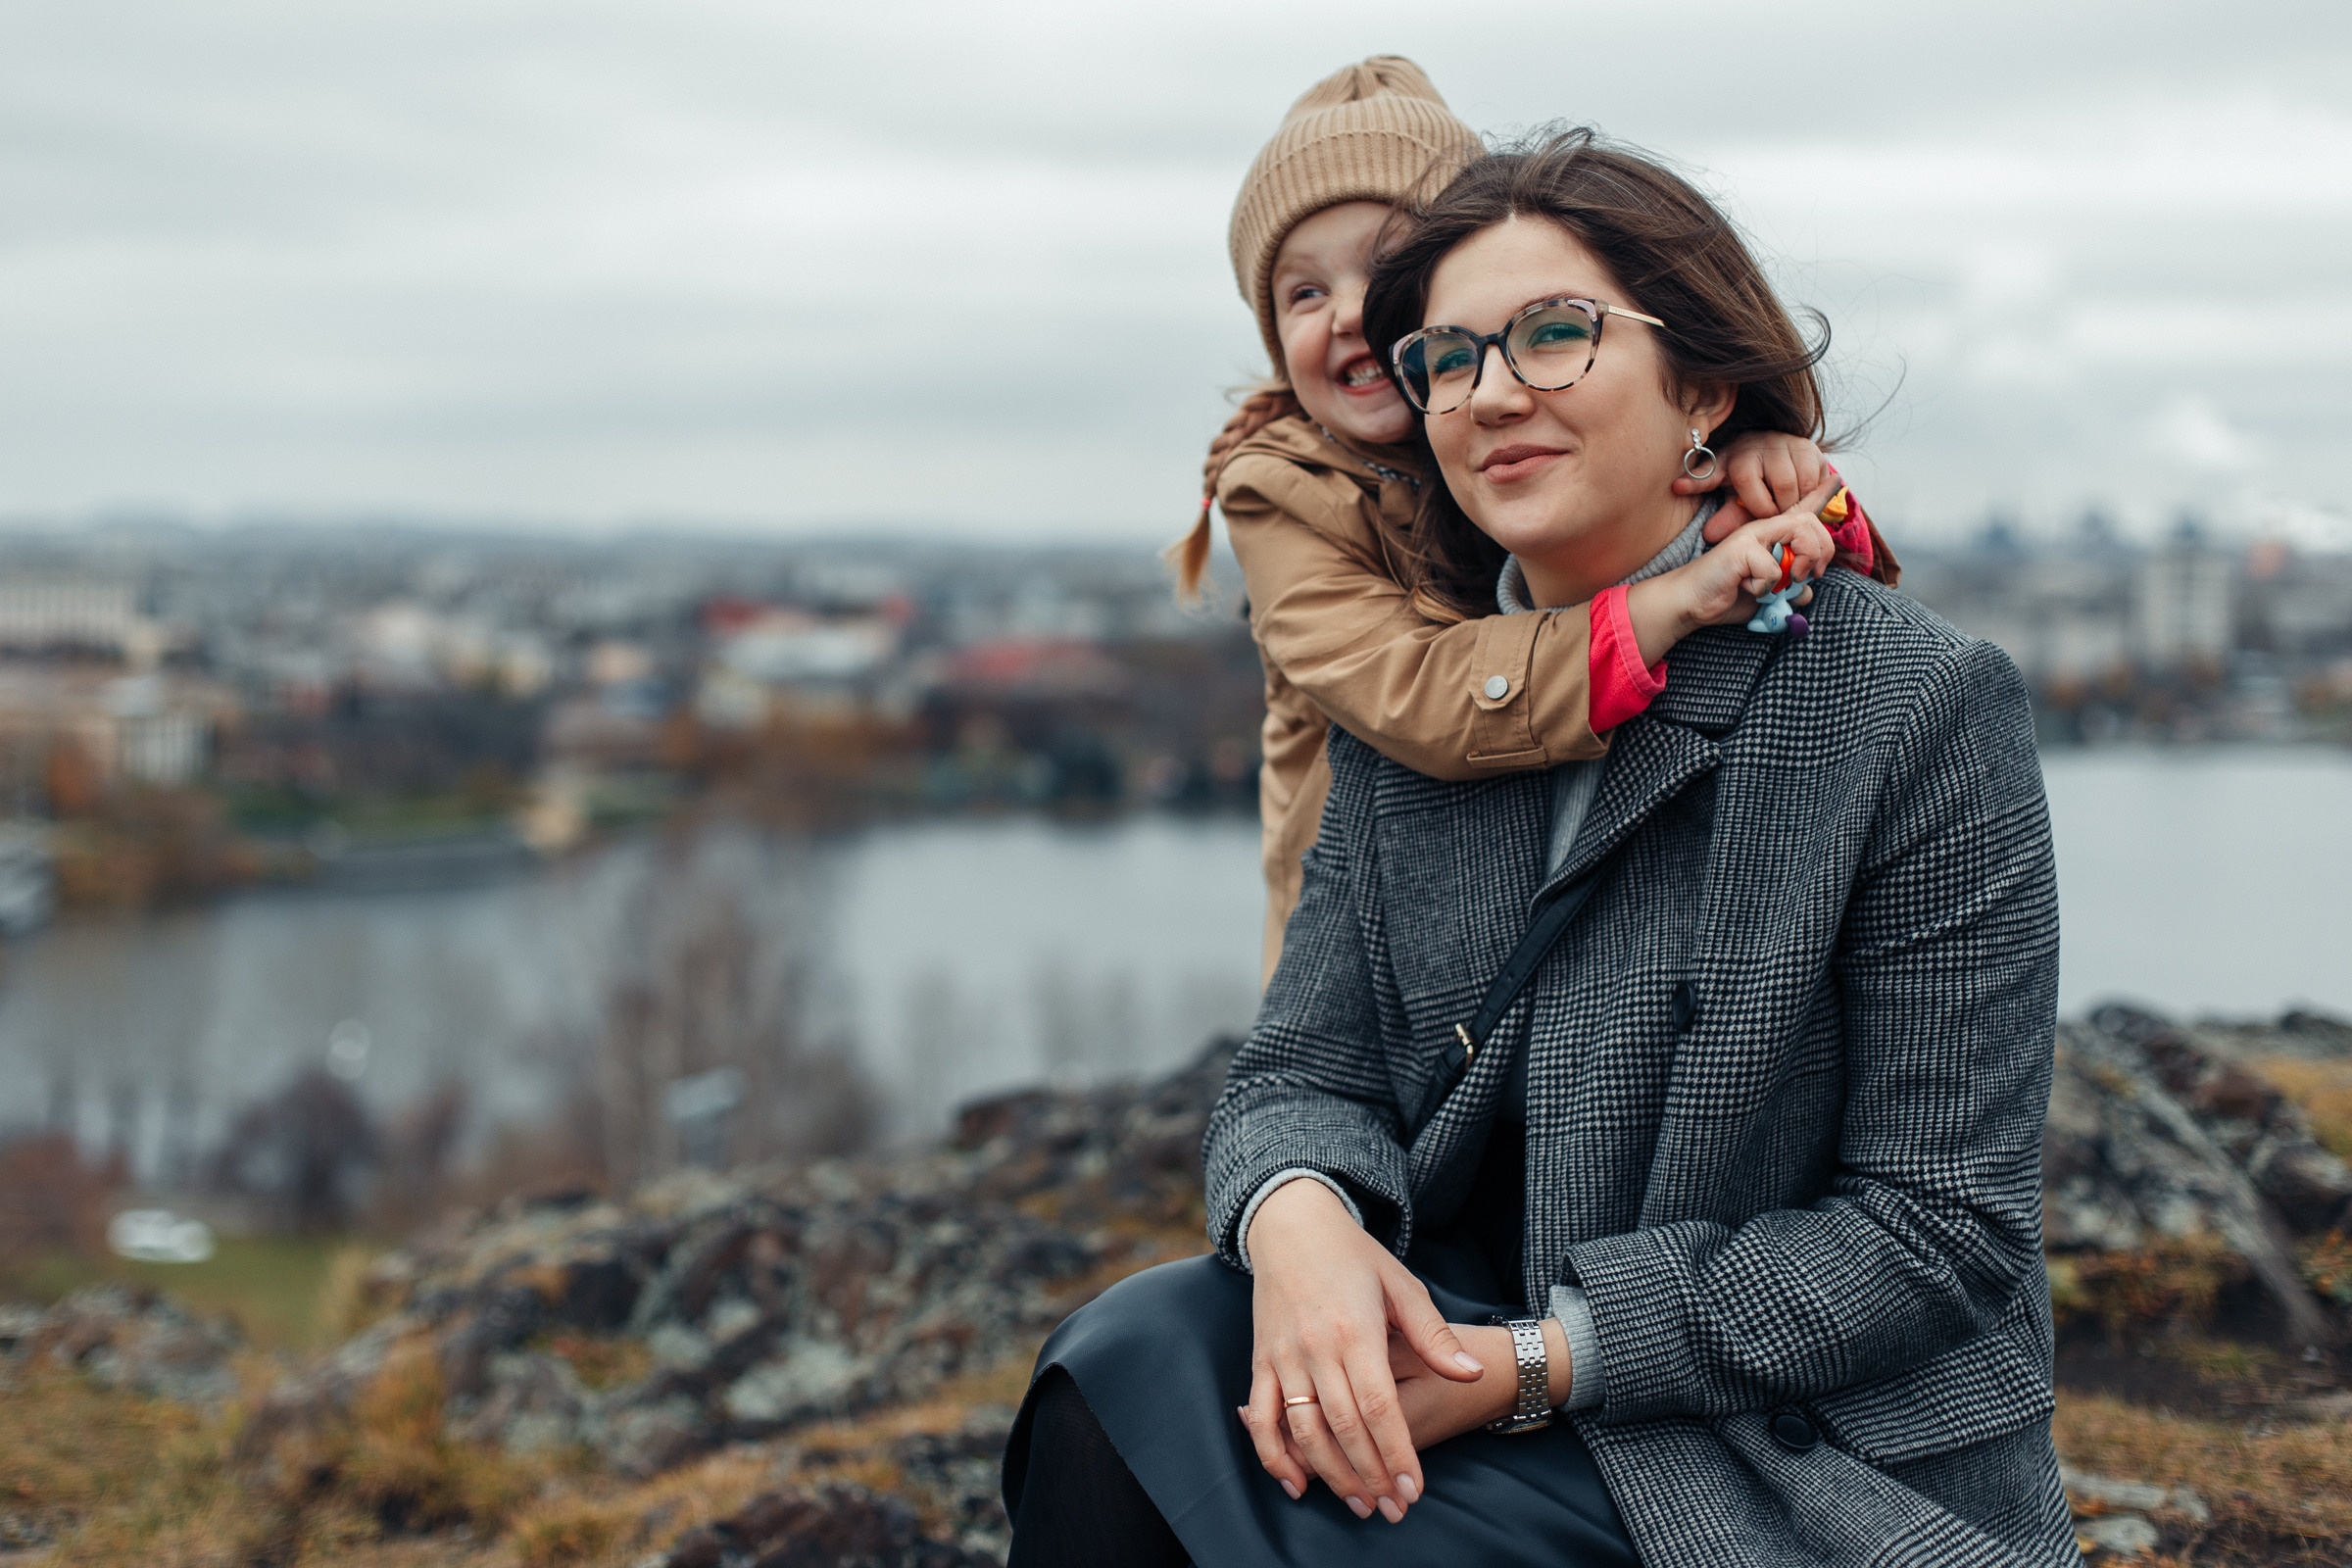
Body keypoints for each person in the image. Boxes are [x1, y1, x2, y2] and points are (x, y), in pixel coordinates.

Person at [1002, 128, 2069, 1567]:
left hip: (1776, 1435)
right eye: (1447, 358)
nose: (1489, 393)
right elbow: (1305, 1070)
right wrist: (1302, 1221)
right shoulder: (1432, 700)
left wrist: (1533, 1362)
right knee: (1125, 1365)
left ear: (1703, 383)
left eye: (1553, 336)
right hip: (1470, 1321)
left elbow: (1936, 1232)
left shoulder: (1911, 706)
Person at [1168, 56, 1894, 981]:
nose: (1350, 313)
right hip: (1364, 956)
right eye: (1304, 292)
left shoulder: (1514, 446)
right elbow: (1419, 693)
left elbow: (1819, 580)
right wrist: (1670, 602)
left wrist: (1762, 468)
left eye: (1385, 272)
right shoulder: (1282, 490)